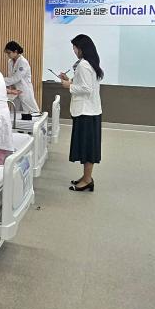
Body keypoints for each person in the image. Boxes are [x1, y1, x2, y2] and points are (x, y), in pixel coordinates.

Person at [60, 34, 103, 192]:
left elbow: (86, 89)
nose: (74, 50)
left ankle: (87, 180)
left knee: (87, 148)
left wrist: (69, 86)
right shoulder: (90, 63)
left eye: (75, 47)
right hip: (90, 111)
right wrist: (70, 80)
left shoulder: (84, 65)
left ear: (81, 48)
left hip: (86, 113)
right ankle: (86, 177)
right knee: (87, 147)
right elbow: (85, 83)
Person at [3, 41, 41, 115]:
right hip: (15, 90)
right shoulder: (10, 62)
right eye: (7, 53)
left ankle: (37, 121)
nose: (8, 55)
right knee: (16, 111)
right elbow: (11, 76)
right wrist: (10, 87)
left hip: (24, 89)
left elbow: (16, 78)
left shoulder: (23, 62)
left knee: (31, 111)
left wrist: (0, 80)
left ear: (15, 51)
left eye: (9, 53)